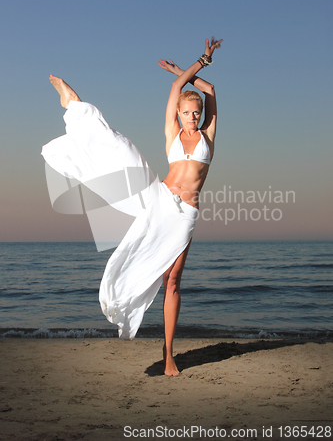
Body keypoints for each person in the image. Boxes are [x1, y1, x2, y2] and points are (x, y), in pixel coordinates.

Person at [42, 37, 222, 376]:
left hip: (185, 215)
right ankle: (75, 105)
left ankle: (168, 355)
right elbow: (175, 88)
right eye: (186, 113)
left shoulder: (208, 135)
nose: (192, 118)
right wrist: (180, 73)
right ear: (179, 114)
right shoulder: (172, 131)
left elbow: (209, 88)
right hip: (159, 198)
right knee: (120, 149)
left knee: (172, 280)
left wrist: (196, 66)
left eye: (196, 113)